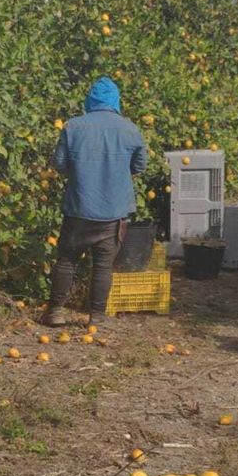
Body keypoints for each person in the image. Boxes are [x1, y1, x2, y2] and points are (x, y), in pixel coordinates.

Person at [40, 77, 148, 327]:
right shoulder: (130, 129)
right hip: (112, 213)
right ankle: (97, 317)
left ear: (90, 100)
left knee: (66, 261)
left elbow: (59, 164)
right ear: (115, 102)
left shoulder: (73, 127)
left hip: (78, 208)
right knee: (102, 265)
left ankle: (55, 311)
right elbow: (140, 166)